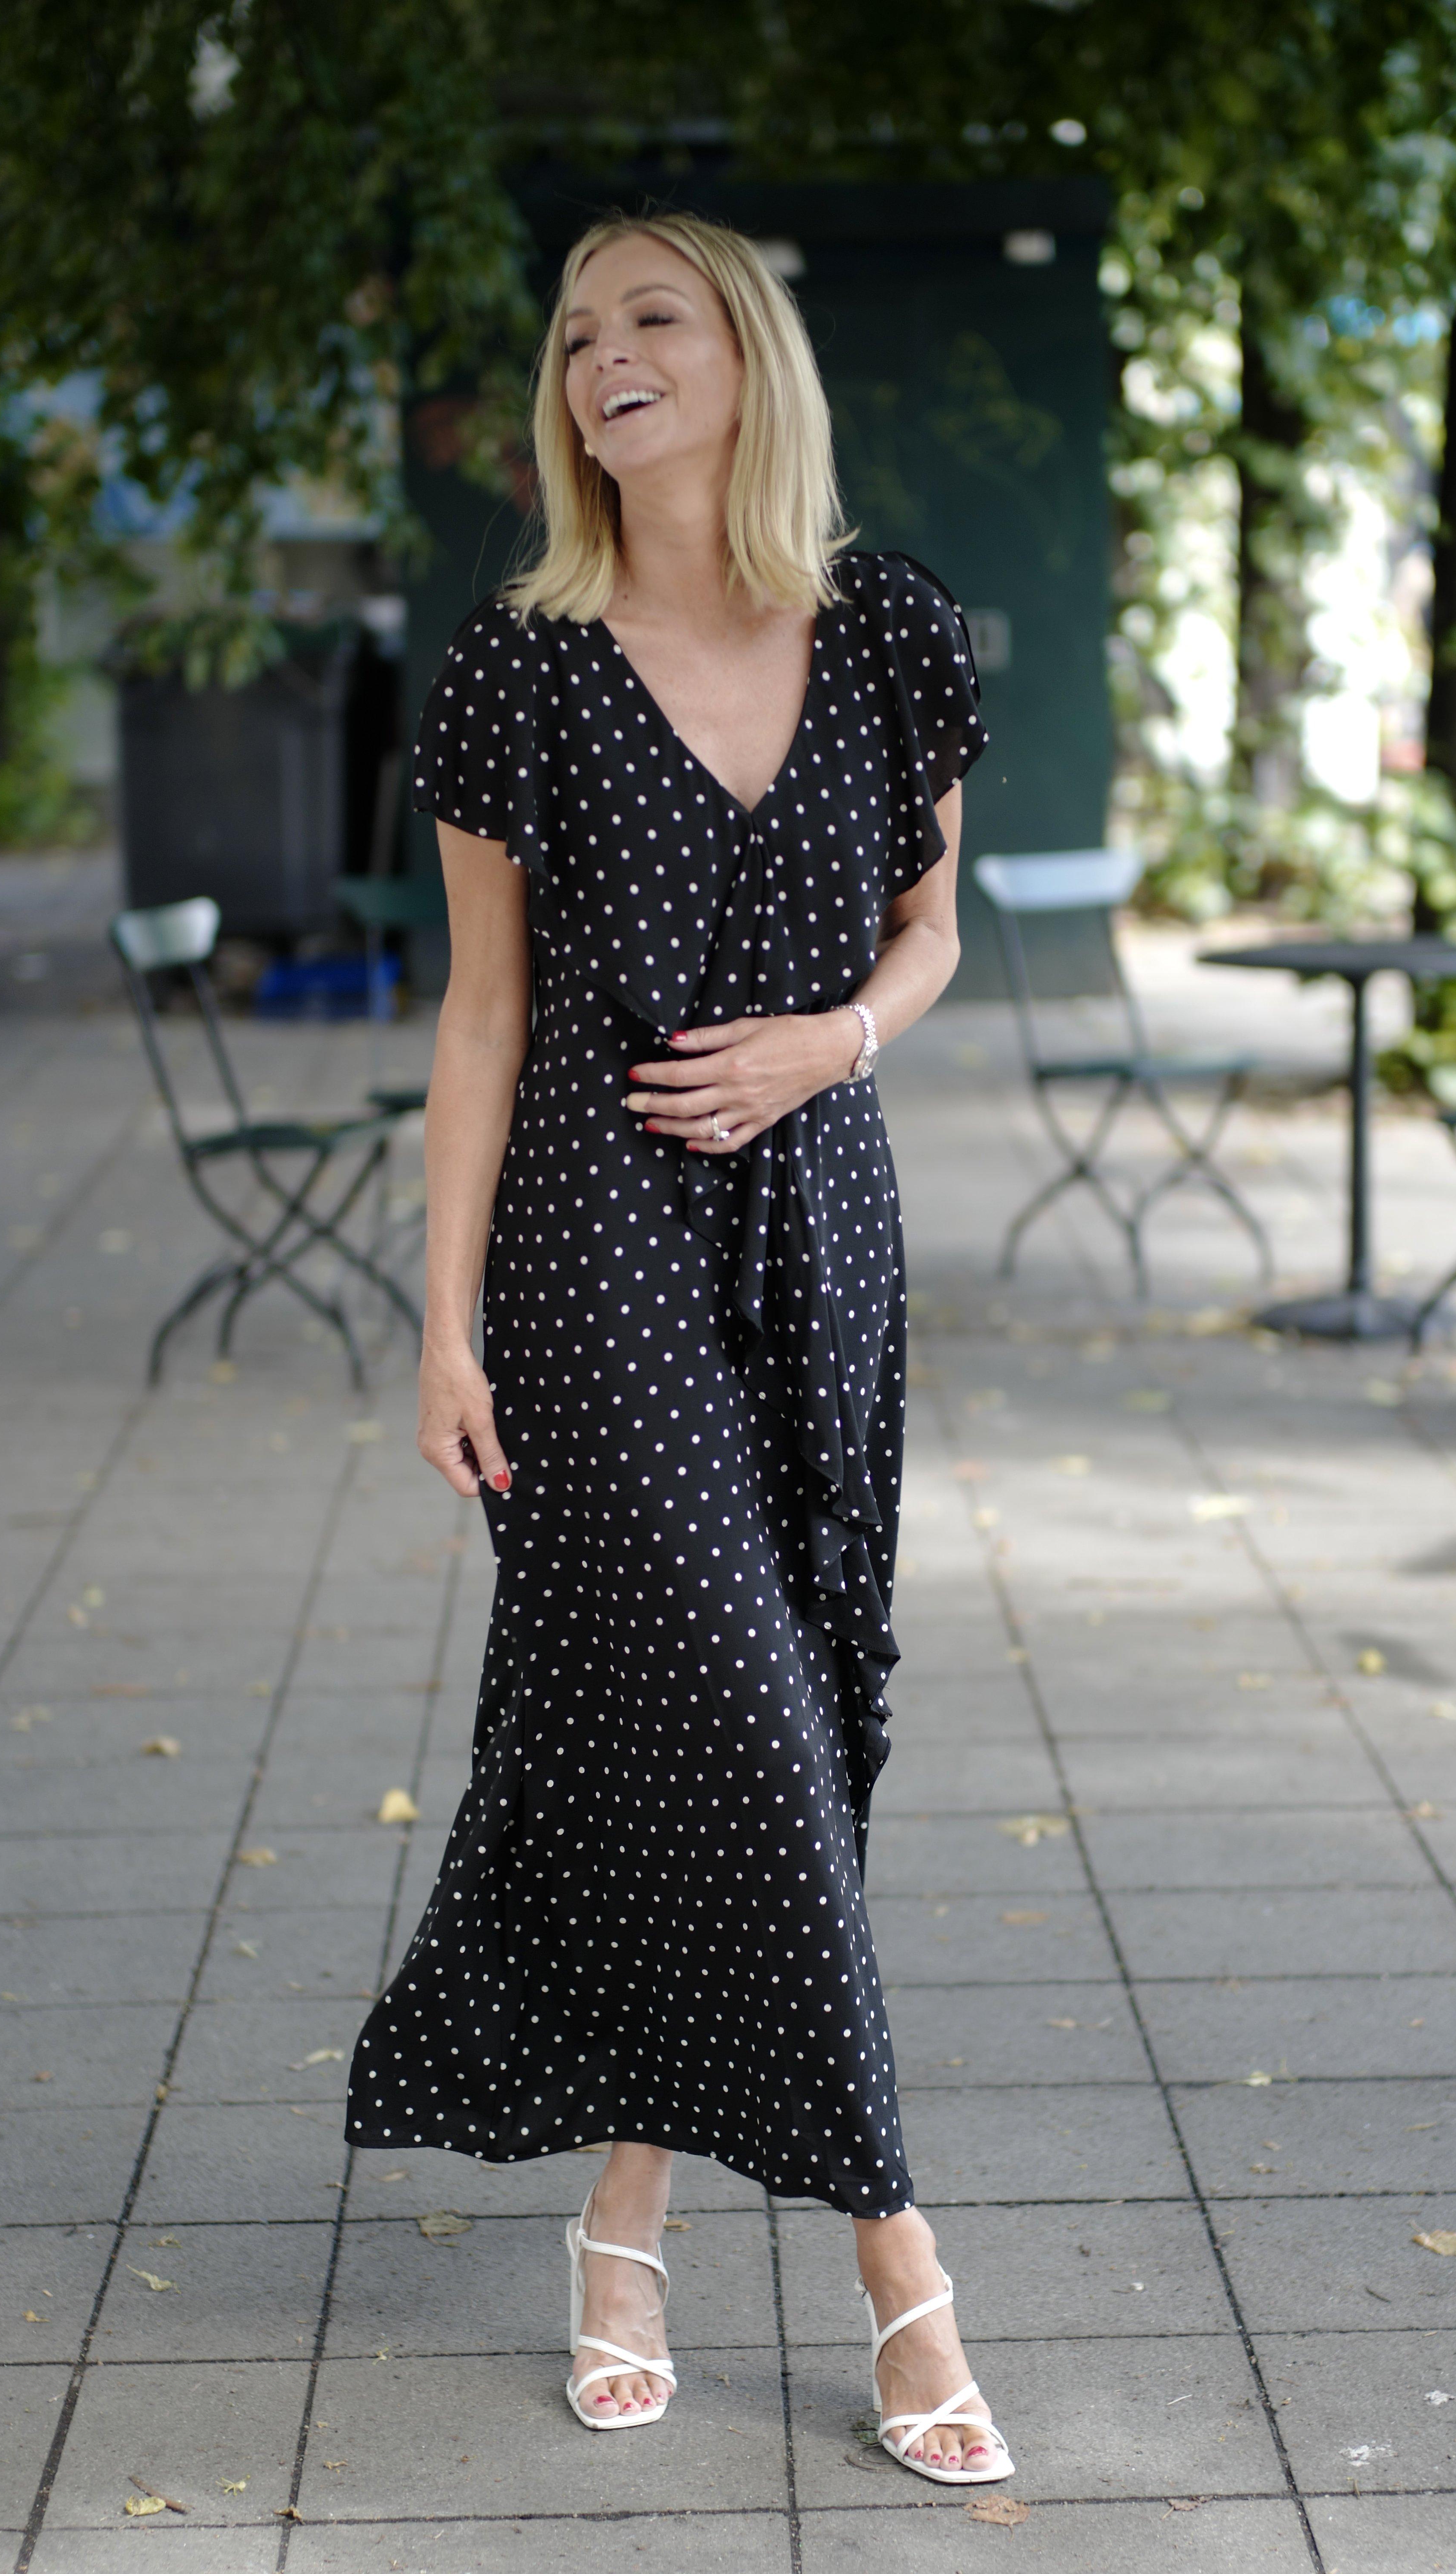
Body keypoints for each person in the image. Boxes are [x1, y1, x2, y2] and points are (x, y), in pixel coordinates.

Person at [344, 208, 1011, 2486]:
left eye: (655, 315)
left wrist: (828, 1044)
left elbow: (930, 936)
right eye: (575, 331)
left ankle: (625, 2214)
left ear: (747, 356)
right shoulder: (518, 669)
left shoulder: (892, 625)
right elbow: (483, 1009)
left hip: (825, 1234)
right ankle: (899, 2259)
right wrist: (437, 1325)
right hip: (596, 1247)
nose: (607, 353)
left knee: (779, 1715)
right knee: (724, 1688)